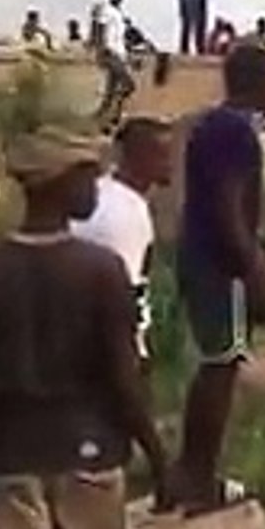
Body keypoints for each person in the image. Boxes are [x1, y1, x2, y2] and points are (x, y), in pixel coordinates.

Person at [0, 127, 169, 529]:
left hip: (12, 454)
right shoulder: (101, 271)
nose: (95, 188)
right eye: (88, 176)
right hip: (91, 450)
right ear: (60, 184)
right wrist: (159, 456)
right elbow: (123, 380)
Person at [170, 45, 265, 515]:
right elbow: (227, 205)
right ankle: (198, 480)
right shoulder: (236, 133)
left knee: (216, 365)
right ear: (258, 82)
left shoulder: (217, 126)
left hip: (204, 258)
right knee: (220, 367)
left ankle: (191, 473)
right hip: (220, 265)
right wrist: (253, 269)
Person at [70, 117, 174, 370]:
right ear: (140, 158)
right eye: (164, 155)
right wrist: (133, 355)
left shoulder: (103, 194)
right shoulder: (126, 214)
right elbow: (123, 293)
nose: (171, 164)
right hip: (103, 354)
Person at [93, 0, 135, 129]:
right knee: (128, 85)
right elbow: (99, 28)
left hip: (119, 53)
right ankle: (113, 116)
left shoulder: (119, 14)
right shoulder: (106, 10)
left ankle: (103, 118)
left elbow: (120, 36)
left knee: (112, 89)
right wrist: (100, 48)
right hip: (110, 52)